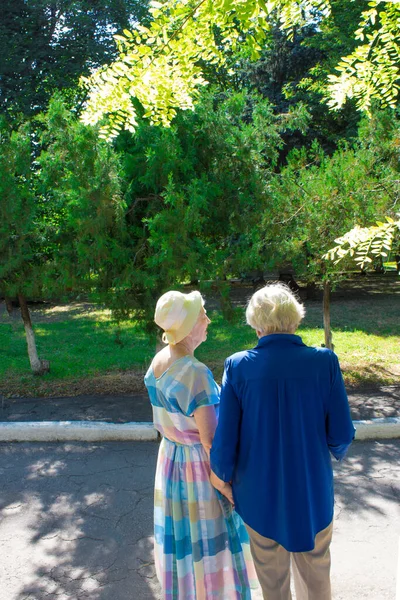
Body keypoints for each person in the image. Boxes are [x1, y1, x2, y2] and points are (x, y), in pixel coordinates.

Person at [210, 282, 355, 600]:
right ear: (296, 319)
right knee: (317, 578)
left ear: (256, 324)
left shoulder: (238, 366)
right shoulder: (324, 361)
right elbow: (342, 434)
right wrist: (329, 450)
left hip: (258, 495)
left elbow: (225, 440)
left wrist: (221, 478)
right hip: (311, 492)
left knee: (272, 584)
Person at [144, 290, 257, 600]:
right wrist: (226, 485)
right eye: (201, 315)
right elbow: (210, 440)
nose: (207, 319)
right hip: (197, 469)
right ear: (189, 325)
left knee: (183, 539)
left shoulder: (159, 361)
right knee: (210, 543)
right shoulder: (195, 372)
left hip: (171, 461)